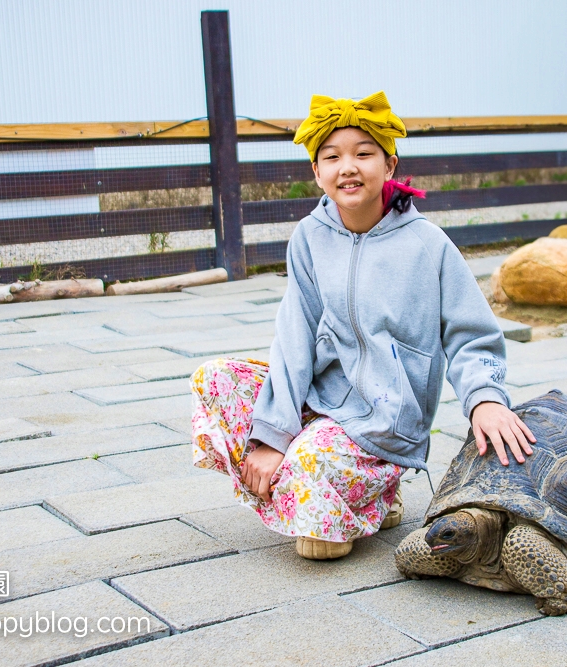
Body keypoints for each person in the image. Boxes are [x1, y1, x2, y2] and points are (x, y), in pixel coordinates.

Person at [191, 91, 535, 560]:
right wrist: (271, 436)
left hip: (382, 418)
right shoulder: (310, 237)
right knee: (214, 380)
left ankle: (371, 486)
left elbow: (471, 334)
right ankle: (345, 486)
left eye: (363, 154)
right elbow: (294, 336)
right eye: (331, 157)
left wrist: (484, 400)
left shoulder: (427, 245)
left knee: (317, 545)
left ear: (389, 165)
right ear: (316, 172)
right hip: (324, 399)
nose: (346, 167)